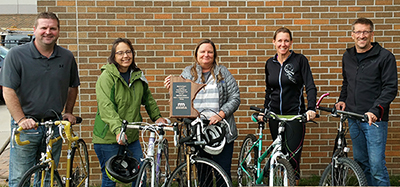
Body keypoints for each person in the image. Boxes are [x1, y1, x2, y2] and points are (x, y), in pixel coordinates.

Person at [0, 12, 80, 186]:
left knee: (48, 178)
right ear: (34, 30)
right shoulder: (16, 55)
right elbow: (8, 90)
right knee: (20, 179)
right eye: (43, 27)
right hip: (26, 127)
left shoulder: (67, 57)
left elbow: (73, 85)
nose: (48, 32)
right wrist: (21, 119)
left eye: (53, 28)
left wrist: (68, 112)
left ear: (58, 31)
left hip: (54, 126)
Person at [93, 38, 168, 187]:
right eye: (120, 53)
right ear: (113, 56)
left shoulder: (138, 76)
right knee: (110, 179)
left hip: (132, 136)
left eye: (128, 52)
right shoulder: (107, 77)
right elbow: (106, 107)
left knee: (140, 176)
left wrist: (157, 117)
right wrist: (118, 129)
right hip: (108, 137)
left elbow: (148, 99)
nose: (125, 56)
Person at [164, 39, 241, 181]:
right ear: (196, 54)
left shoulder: (223, 72)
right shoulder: (188, 73)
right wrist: (173, 87)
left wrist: (220, 115)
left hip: (221, 131)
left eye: (210, 52)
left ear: (214, 54)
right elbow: (181, 98)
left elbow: (235, 98)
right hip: (197, 132)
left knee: (222, 175)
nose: (206, 54)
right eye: (203, 51)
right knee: (203, 176)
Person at [335, 18, 397, 186]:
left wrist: (376, 110)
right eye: (358, 32)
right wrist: (342, 100)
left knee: (377, 167)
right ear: (352, 35)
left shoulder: (385, 57)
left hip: (374, 121)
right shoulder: (347, 56)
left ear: (372, 34)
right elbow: (346, 83)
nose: (361, 35)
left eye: (365, 32)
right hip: (353, 118)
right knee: (362, 164)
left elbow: (390, 88)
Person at [260, 27, 317, 184]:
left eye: (286, 40)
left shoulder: (300, 60)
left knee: (292, 161)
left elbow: (310, 86)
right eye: (279, 40)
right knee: (279, 155)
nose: (283, 44)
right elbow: (269, 90)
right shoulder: (270, 63)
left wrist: (311, 108)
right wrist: (265, 111)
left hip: (294, 116)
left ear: (291, 42)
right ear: (274, 42)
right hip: (274, 117)